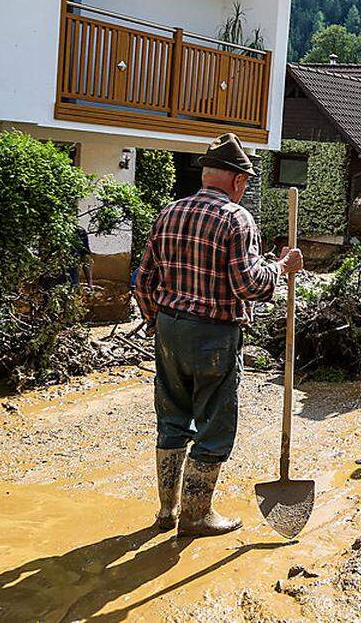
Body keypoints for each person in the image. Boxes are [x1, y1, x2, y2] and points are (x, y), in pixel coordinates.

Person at [135, 133, 303, 537]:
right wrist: (281, 268)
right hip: (213, 334)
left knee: (172, 417)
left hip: (170, 328)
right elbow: (249, 286)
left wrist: (157, 323)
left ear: (207, 174)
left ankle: (166, 511)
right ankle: (196, 515)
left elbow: (143, 281)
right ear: (237, 181)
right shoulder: (235, 218)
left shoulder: (168, 212)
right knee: (214, 423)